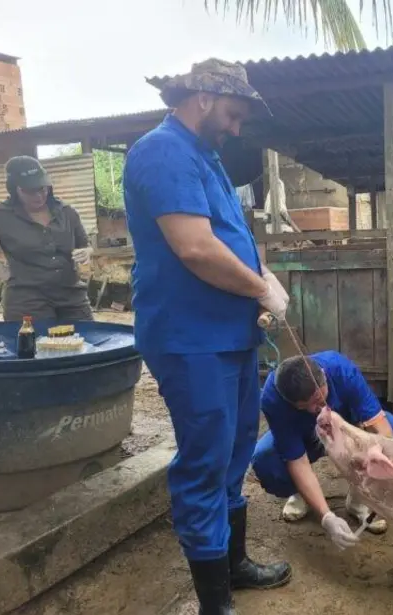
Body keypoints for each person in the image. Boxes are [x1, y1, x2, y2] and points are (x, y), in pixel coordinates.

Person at [122, 58, 292, 615]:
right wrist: (259, 289)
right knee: (204, 461)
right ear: (202, 97)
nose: (237, 127)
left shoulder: (207, 158)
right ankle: (214, 604)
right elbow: (194, 248)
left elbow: (235, 234)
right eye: (233, 113)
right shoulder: (162, 150)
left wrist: (260, 279)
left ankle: (233, 565)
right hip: (190, 339)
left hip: (228, 335)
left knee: (235, 450)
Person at [252, 351, 393, 548]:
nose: (315, 409)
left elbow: (380, 426)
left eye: (319, 399)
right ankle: (301, 493)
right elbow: (296, 460)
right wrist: (326, 516)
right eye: (305, 406)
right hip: (304, 437)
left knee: (391, 430)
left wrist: (388, 462)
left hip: (346, 432)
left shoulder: (339, 369)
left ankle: (359, 498)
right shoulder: (273, 398)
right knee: (266, 460)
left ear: (323, 376)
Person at [0, 156, 94, 321]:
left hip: (72, 298)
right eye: (30, 191)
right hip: (26, 303)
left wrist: (87, 251)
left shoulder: (66, 212)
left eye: (42, 188)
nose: (39, 195)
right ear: (15, 189)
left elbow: (85, 244)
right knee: (33, 346)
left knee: (87, 344)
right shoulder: (0, 216)